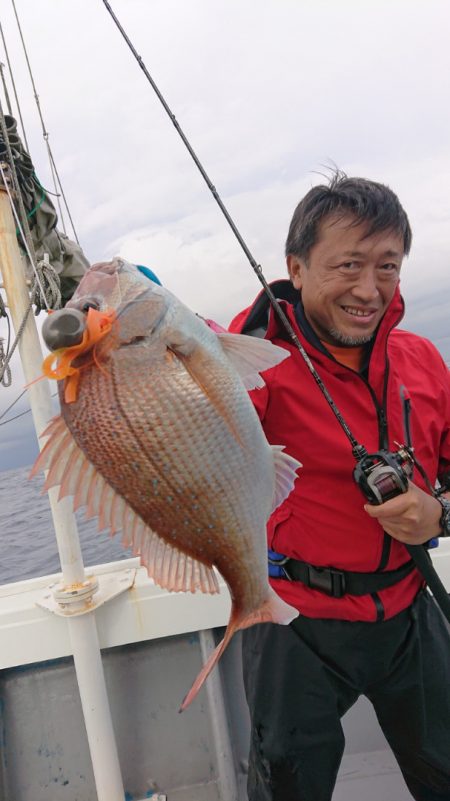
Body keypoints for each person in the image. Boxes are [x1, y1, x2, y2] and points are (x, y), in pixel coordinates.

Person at [228, 172, 450, 801]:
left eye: (387, 265)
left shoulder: (422, 360)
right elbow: (185, 389)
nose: (368, 288)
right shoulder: (255, 369)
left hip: (409, 609)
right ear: (296, 268)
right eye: (347, 264)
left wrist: (441, 513)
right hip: (293, 622)